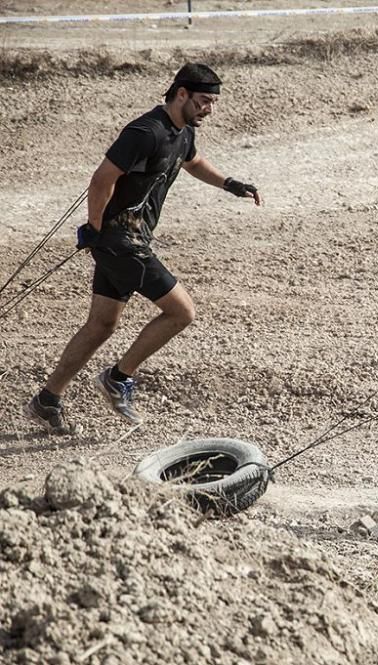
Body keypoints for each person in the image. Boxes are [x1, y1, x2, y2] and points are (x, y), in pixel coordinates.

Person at [23, 63, 262, 435]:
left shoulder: (180, 133)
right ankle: (118, 378)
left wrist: (230, 184)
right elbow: (102, 178)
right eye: (203, 101)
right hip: (122, 241)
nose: (208, 110)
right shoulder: (145, 132)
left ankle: (47, 399)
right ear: (180, 93)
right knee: (182, 312)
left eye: (212, 103)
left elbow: (192, 162)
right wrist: (95, 227)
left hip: (128, 240)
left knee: (102, 324)